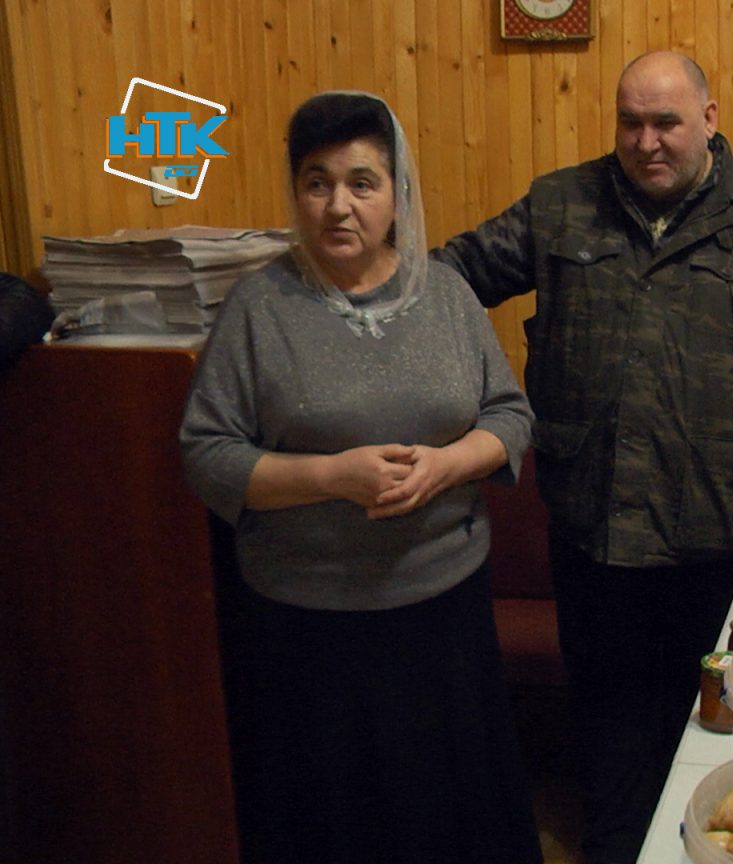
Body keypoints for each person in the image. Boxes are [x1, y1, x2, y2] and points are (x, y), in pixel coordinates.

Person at [434, 51, 733, 862]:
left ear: (709, 120)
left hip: (718, 532)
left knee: (714, 722)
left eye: (666, 123)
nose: (647, 142)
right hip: (590, 529)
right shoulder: (559, 207)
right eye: (630, 123)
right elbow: (449, 281)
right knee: (606, 725)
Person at [180, 91, 542, 864]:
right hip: (308, 627)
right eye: (317, 182)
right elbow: (207, 452)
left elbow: (510, 415)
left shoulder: (445, 294)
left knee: (448, 821)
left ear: (397, 193)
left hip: (442, 614)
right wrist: (330, 476)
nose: (338, 206)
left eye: (362, 182)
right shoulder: (258, 308)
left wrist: (448, 465)